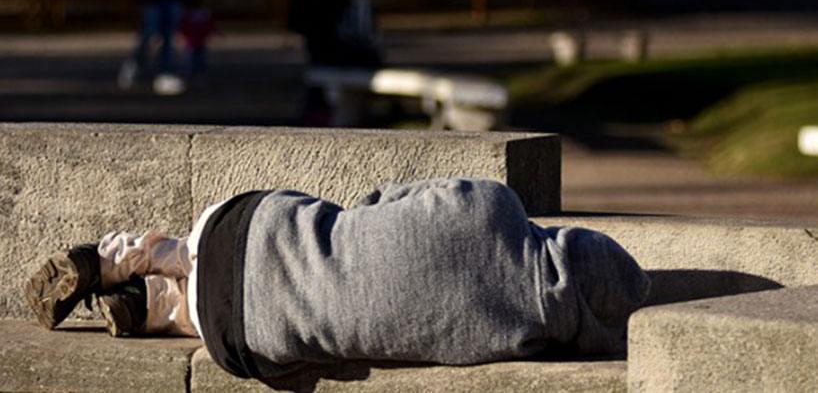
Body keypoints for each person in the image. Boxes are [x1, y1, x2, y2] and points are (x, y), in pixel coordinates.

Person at [25, 178, 650, 382]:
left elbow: (382, 199)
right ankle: (161, 309)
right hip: (237, 334)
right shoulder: (518, 335)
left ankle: (133, 257)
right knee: (277, 318)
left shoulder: (490, 205)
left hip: (247, 230)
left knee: (298, 231)